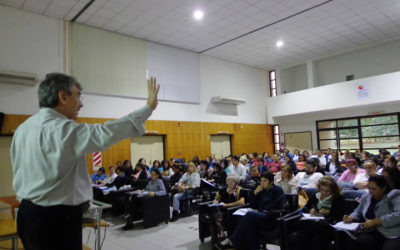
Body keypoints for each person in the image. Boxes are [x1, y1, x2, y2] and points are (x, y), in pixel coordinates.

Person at [11, 73, 159, 250]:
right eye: (78, 95)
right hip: (55, 220)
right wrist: (148, 107)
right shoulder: (62, 130)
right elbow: (107, 132)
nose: (81, 103)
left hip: (28, 214)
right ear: (63, 97)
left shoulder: (23, 128)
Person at [216, 172, 285, 250]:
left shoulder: (278, 190)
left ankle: (232, 240)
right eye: (261, 181)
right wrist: (255, 193)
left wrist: (262, 211)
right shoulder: (261, 190)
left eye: (265, 181)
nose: (262, 183)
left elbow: (279, 207)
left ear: (271, 182)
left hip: (271, 218)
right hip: (260, 217)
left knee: (250, 215)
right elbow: (253, 205)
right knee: (250, 226)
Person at [341, 175, 400, 250]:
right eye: (369, 188)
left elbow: (398, 215)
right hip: (372, 230)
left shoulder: (395, 194)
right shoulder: (366, 197)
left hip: (392, 232)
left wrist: (377, 221)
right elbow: (358, 211)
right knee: (359, 242)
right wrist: (351, 217)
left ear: (384, 188)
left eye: (374, 189)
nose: (371, 192)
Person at [288, 176, 345, 250]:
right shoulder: (316, 195)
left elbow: (338, 216)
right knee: (303, 227)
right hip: (314, 222)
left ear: (333, 190)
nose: (324, 193)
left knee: (317, 228)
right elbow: (308, 208)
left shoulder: (338, 198)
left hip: (328, 223)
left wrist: (323, 214)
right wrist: (311, 210)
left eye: (327, 190)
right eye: (322, 190)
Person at [210, 175, 245, 244]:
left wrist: (227, 205)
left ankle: (218, 237)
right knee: (214, 211)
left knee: (213, 219)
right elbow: (216, 198)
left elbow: (241, 202)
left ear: (236, 183)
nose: (230, 183)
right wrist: (215, 201)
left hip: (231, 210)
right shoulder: (223, 190)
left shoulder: (239, 190)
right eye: (229, 181)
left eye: (232, 182)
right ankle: (221, 234)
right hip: (221, 210)